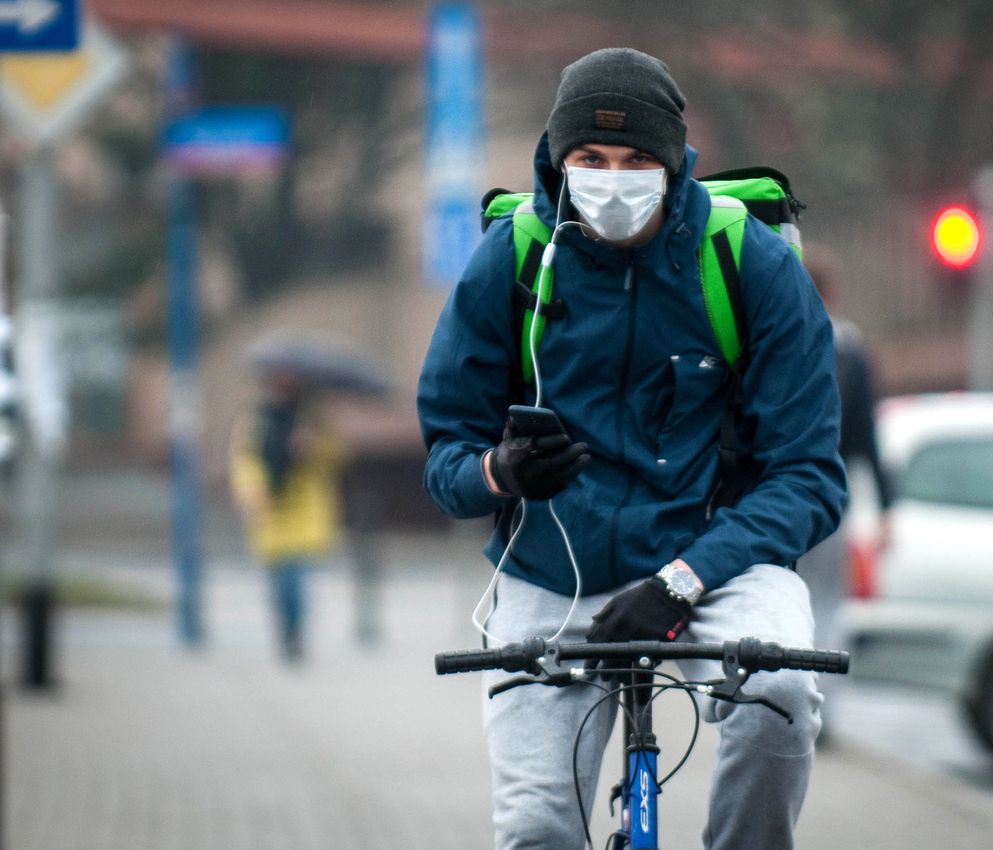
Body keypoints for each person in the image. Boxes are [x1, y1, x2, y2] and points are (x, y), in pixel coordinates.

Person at [417, 48, 845, 850]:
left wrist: (683, 581)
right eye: (590, 159)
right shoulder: (509, 259)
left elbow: (809, 476)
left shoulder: (747, 262)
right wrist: (497, 473)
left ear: (674, 163)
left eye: (637, 160)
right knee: (539, 828)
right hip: (554, 565)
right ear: (557, 159)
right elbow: (445, 454)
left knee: (784, 690)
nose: (613, 179)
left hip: (718, 560)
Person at [796, 249, 895, 748]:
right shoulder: (851, 349)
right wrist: (888, 509)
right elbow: (868, 438)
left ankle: (782, 704)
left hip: (779, 494)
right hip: (833, 496)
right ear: (832, 294)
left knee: (784, 597)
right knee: (829, 606)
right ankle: (822, 714)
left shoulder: (779, 337)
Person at [229, 370, 346, 663]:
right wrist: (250, 491)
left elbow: (338, 458)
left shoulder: (314, 422)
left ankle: (295, 634)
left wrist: (311, 446)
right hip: (269, 512)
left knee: (297, 581)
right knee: (277, 586)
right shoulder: (257, 421)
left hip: (305, 514)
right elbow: (244, 459)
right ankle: (285, 630)